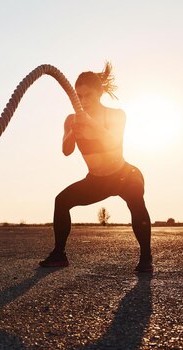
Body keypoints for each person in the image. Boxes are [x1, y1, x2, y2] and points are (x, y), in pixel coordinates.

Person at [39, 62, 153, 272]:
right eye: (78, 96)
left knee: (136, 201)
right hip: (96, 181)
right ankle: (59, 254)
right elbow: (66, 150)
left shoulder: (116, 115)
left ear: (99, 94)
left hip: (123, 175)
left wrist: (92, 125)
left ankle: (146, 258)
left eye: (88, 96)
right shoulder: (72, 119)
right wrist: (73, 131)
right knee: (61, 201)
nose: (82, 101)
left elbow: (114, 141)